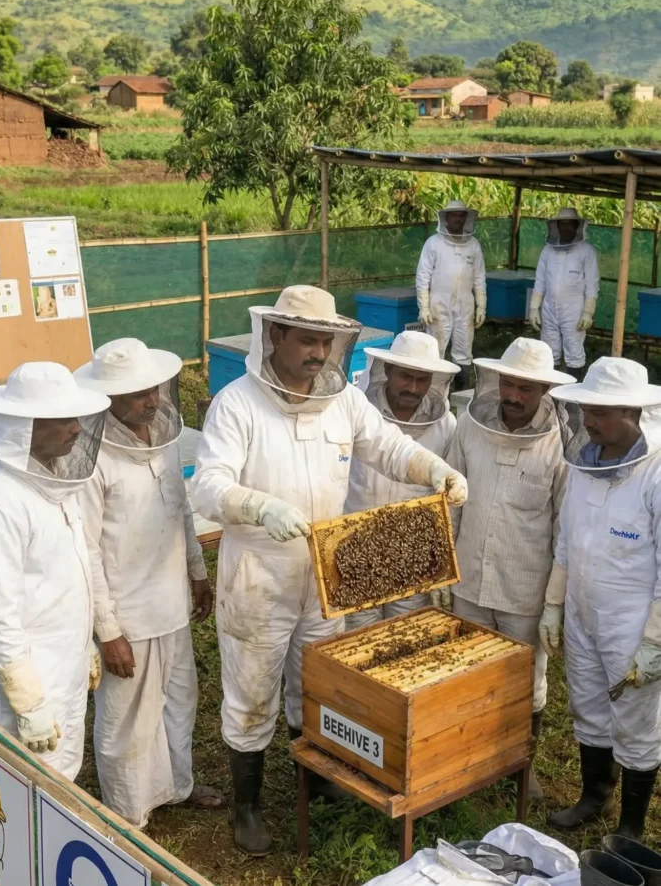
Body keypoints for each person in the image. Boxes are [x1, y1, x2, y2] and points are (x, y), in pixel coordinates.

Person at [190, 285, 467, 856]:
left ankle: (313, 777)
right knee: (252, 691)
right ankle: (247, 806)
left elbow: (389, 447)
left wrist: (432, 468)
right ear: (275, 336)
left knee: (315, 679)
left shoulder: (343, 402)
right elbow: (209, 485)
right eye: (306, 340)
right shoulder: (238, 403)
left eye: (325, 342)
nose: (318, 353)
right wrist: (258, 506)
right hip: (259, 575)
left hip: (327, 574)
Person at [74, 339, 224, 828]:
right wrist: (107, 631)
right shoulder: (92, 460)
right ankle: (128, 813)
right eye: (139, 393)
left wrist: (197, 573)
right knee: (126, 719)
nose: (152, 400)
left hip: (171, 601)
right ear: (108, 398)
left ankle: (176, 785)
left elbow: (180, 512)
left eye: (154, 389)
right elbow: (87, 550)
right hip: (128, 614)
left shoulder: (163, 440)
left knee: (179, 699)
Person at [0, 362, 110, 781]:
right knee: (29, 785)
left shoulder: (54, 480)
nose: (77, 429)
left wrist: (83, 643)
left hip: (65, 662)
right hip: (33, 676)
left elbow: (63, 577)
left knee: (63, 774)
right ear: (24, 427)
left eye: (76, 416)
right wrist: (27, 701)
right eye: (62, 419)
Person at [444, 337, 575, 800]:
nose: (514, 396)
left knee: (525, 677)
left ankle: (522, 763)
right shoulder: (469, 426)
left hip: (525, 586)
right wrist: (444, 565)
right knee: (467, 668)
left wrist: (554, 601)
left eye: (526, 388)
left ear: (545, 391)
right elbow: (450, 499)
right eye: (509, 384)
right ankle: (469, 754)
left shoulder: (561, 444)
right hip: (468, 579)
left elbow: (564, 527)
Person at [541, 357, 661, 840]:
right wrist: (554, 604)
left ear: (633, 413)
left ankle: (630, 827)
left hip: (632, 623)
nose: (587, 420)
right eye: (585, 410)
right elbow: (567, 542)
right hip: (582, 611)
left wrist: (654, 642)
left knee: (635, 720)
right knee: (587, 705)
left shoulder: (654, 474)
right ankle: (595, 796)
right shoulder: (583, 464)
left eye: (599, 412)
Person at [344, 330, 459, 628]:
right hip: (355, 547)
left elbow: (446, 501)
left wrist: (441, 563)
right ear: (388, 370)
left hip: (413, 553)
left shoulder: (446, 425)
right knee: (360, 638)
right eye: (405, 376)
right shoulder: (357, 413)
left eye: (422, 379)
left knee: (406, 634)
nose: (413, 387)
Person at [415, 200, 487, 391]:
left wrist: (481, 306)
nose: (458, 219)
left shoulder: (473, 245)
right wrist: (424, 307)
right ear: (446, 218)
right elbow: (423, 276)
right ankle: (435, 393)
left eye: (461, 215)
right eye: (454, 215)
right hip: (438, 305)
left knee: (464, 352)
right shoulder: (433, 243)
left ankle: (461, 395)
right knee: (435, 350)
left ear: (466, 218)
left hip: (465, 306)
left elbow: (479, 277)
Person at [529, 207, 600, 379]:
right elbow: (540, 281)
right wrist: (534, 308)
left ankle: (573, 392)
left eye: (570, 224)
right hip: (549, 309)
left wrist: (588, 312)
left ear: (577, 226)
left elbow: (592, 284)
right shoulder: (547, 251)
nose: (566, 228)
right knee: (548, 352)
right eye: (563, 224)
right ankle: (549, 391)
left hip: (574, 310)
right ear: (557, 226)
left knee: (574, 352)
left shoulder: (586, 251)